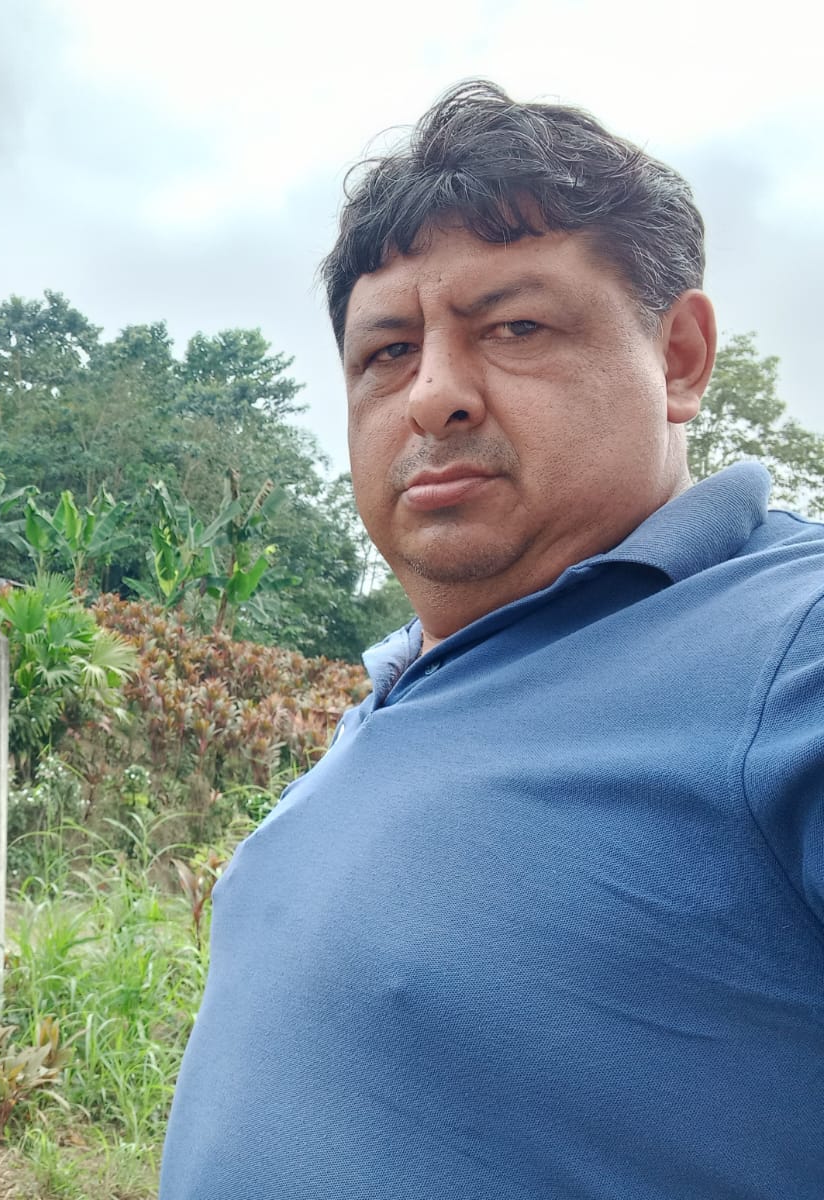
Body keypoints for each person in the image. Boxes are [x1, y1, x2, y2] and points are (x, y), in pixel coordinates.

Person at [160, 80, 824, 1199]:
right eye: (386, 351)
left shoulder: (793, 645)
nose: (432, 397)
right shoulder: (401, 683)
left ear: (678, 358)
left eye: (515, 327)